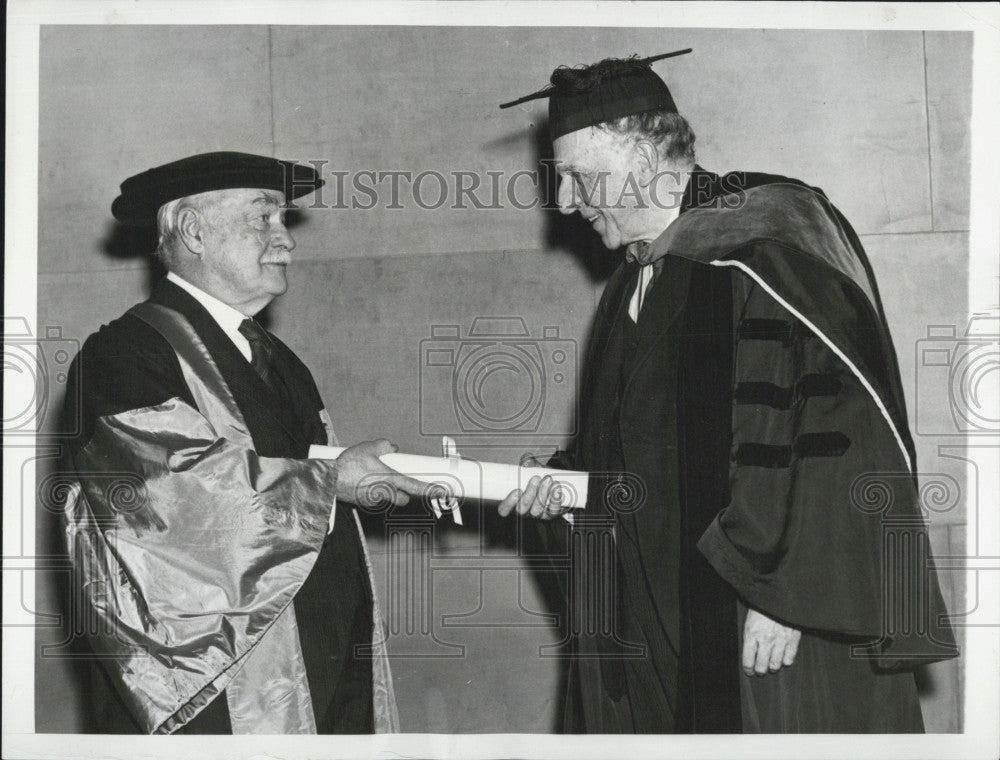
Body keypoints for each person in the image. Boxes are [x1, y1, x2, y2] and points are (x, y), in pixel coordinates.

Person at [497, 52, 958, 733]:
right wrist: (569, 491)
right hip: (662, 620)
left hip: (763, 619)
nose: (564, 203)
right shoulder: (634, 280)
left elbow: (839, 428)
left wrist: (785, 595)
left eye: (577, 177)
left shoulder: (768, 243)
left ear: (648, 150)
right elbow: (644, 451)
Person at [60, 151, 432, 734]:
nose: (286, 241)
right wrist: (334, 482)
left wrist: (355, 475)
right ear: (192, 231)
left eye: (283, 221)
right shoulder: (124, 357)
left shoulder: (278, 360)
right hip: (215, 694)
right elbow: (175, 503)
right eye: (264, 219)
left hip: (327, 671)